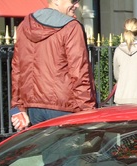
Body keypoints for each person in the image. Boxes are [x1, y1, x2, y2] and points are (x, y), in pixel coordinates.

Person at [11, 0, 96, 130]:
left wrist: (17, 107)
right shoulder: (71, 27)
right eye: (73, 1)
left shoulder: (24, 26)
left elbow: (17, 69)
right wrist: (88, 110)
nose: (77, 5)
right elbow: (79, 72)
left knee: (43, 150)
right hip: (65, 106)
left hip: (33, 108)